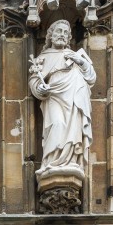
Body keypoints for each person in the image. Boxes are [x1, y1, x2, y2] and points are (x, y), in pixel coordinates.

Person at [28, 20, 96, 175]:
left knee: (73, 131)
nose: (62, 35)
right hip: (54, 97)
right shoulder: (43, 57)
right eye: (59, 31)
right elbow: (34, 81)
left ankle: (71, 161)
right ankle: (52, 161)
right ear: (51, 35)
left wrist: (81, 62)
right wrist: (40, 88)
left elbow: (91, 78)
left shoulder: (74, 56)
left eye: (66, 33)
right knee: (57, 124)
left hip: (74, 100)